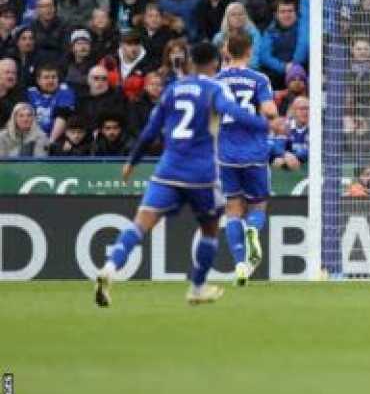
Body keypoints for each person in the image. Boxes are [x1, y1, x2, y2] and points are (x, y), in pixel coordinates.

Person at [96, 41, 269, 308]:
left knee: (140, 224)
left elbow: (150, 130)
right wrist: (264, 124)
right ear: (214, 63)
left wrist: (132, 162)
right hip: (202, 173)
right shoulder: (215, 88)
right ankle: (197, 287)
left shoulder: (173, 90)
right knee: (210, 230)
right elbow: (234, 112)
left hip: (167, 169)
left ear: (190, 63)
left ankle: (109, 267)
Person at [216, 32, 279, 287]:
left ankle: (241, 263)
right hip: (254, 153)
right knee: (258, 207)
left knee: (232, 209)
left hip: (226, 154)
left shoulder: (217, 81)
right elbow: (270, 111)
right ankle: (253, 228)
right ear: (250, 52)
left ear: (226, 51)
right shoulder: (259, 79)